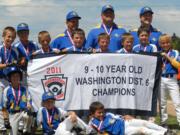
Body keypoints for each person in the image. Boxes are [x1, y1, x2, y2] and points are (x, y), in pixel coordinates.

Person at [88, 101, 167, 135]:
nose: (101, 114)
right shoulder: (93, 122)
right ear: (92, 113)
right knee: (142, 129)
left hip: (124, 122)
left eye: (102, 112)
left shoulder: (108, 114)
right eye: (99, 113)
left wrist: (125, 116)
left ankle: (165, 131)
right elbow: (100, 130)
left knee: (145, 122)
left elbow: (117, 117)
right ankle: (162, 134)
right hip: (123, 131)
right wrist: (101, 120)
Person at [2, 66, 32, 135]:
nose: (15, 78)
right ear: (9, 78)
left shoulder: (24, 89)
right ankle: (18, 130)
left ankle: (25, 130)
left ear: (20, 77)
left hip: (22, 112)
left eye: (17, 76)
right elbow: (4, 107)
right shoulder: (7, 90)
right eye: (13, 76)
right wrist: (6, 120)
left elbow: (29, 101)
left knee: (28, 115)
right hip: (12, 114)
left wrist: (28, 107)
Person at [159, 34, 180, 128]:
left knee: (177, 102)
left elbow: (178, 65)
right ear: (160, 44)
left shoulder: (175, 52)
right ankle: (164, 123)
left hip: (172, 79)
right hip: (161, 79)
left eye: (167, 42)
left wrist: (167, 57)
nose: (165, 44)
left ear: (170, 43)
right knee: (162, 103)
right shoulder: (159, 53)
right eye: (163, 43)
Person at [0, 26, 17, 134]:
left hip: (11, 81)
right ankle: (2, 128)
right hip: (1, 80)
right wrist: (8, 65)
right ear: (3, 36)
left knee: (11, 103)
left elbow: (19, 62)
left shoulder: (15, 50)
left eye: (12, 37)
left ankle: (12, 125)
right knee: (2, 103)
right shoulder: (0, 49)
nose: (10, 39)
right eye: (8, 37)